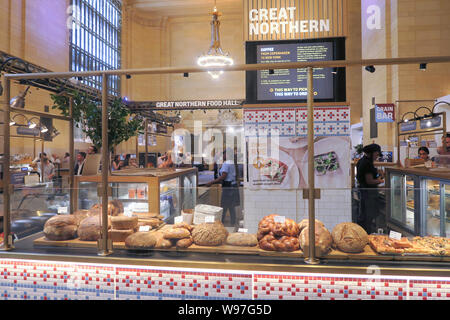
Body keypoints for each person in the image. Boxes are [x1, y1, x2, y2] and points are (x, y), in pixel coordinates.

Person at [205, 148, 240, 227]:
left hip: (228, 187)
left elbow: (223, 177)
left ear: (227, 155)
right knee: (231, 207)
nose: (222, 155)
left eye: (223, 154)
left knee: (224, 206)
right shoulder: (232, 162)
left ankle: (221, 223)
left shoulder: (227, 163)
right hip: (233, 186)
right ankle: (232, 223)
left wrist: (211, 183)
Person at [356, 143, 385, 234]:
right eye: (376, 154)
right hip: (369, 193)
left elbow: (368, 175)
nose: (377, 157)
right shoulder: (367, 163)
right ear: (371, 153)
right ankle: (367, 235)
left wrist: (377, 171)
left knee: (364, 215)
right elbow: (370, 181)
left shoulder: (362, 161)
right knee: (368, 216)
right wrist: (380, 181)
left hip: (364, 191)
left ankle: (363, 234)